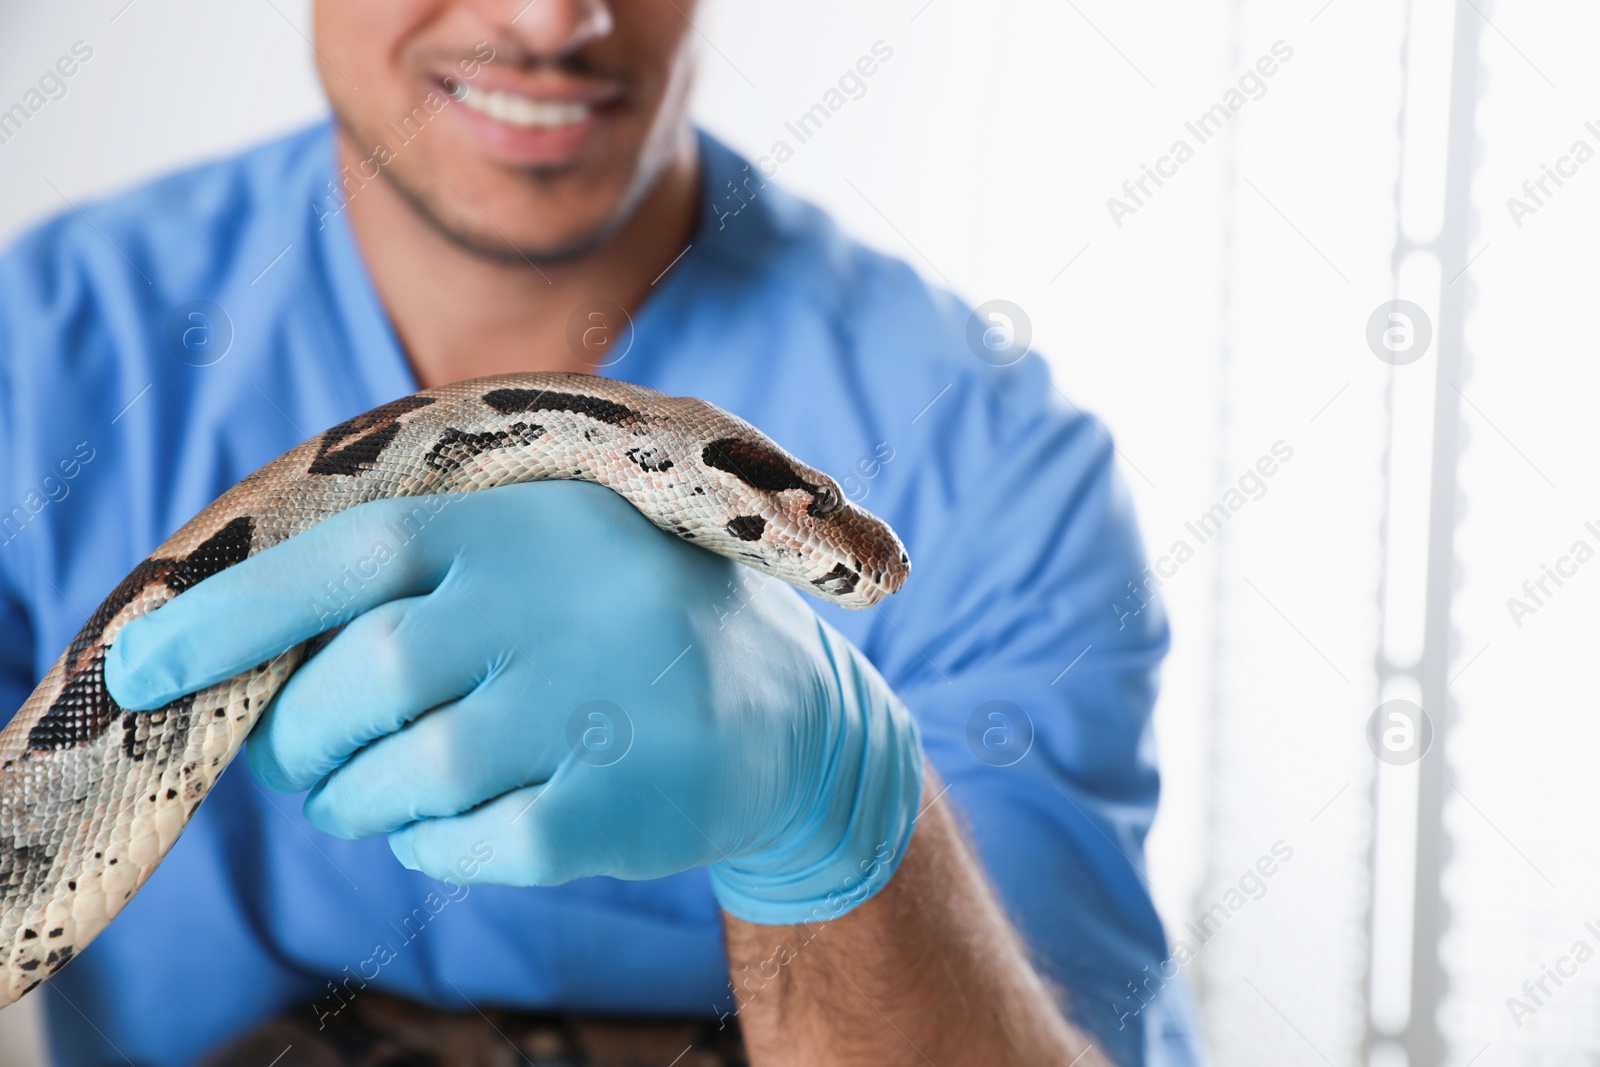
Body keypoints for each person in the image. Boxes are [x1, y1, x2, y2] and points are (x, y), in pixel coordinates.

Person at [0, 1, 1200, 1063]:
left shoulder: (996, 459)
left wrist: (842, 830)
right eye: (809, 502)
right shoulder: (39, 352)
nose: (547, 17)